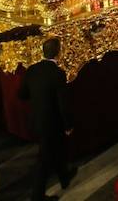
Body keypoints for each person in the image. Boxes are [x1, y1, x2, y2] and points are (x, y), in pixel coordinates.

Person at [19, 38, 75, 201]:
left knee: (56, 149)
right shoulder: (58, 73)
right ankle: (37, 196)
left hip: (36, 120)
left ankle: (65, 177)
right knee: (44, 160)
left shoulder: (32, 70)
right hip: (51, 123)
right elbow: (62, 103)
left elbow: (22, 94)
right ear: (59, 53)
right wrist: (68, 124)